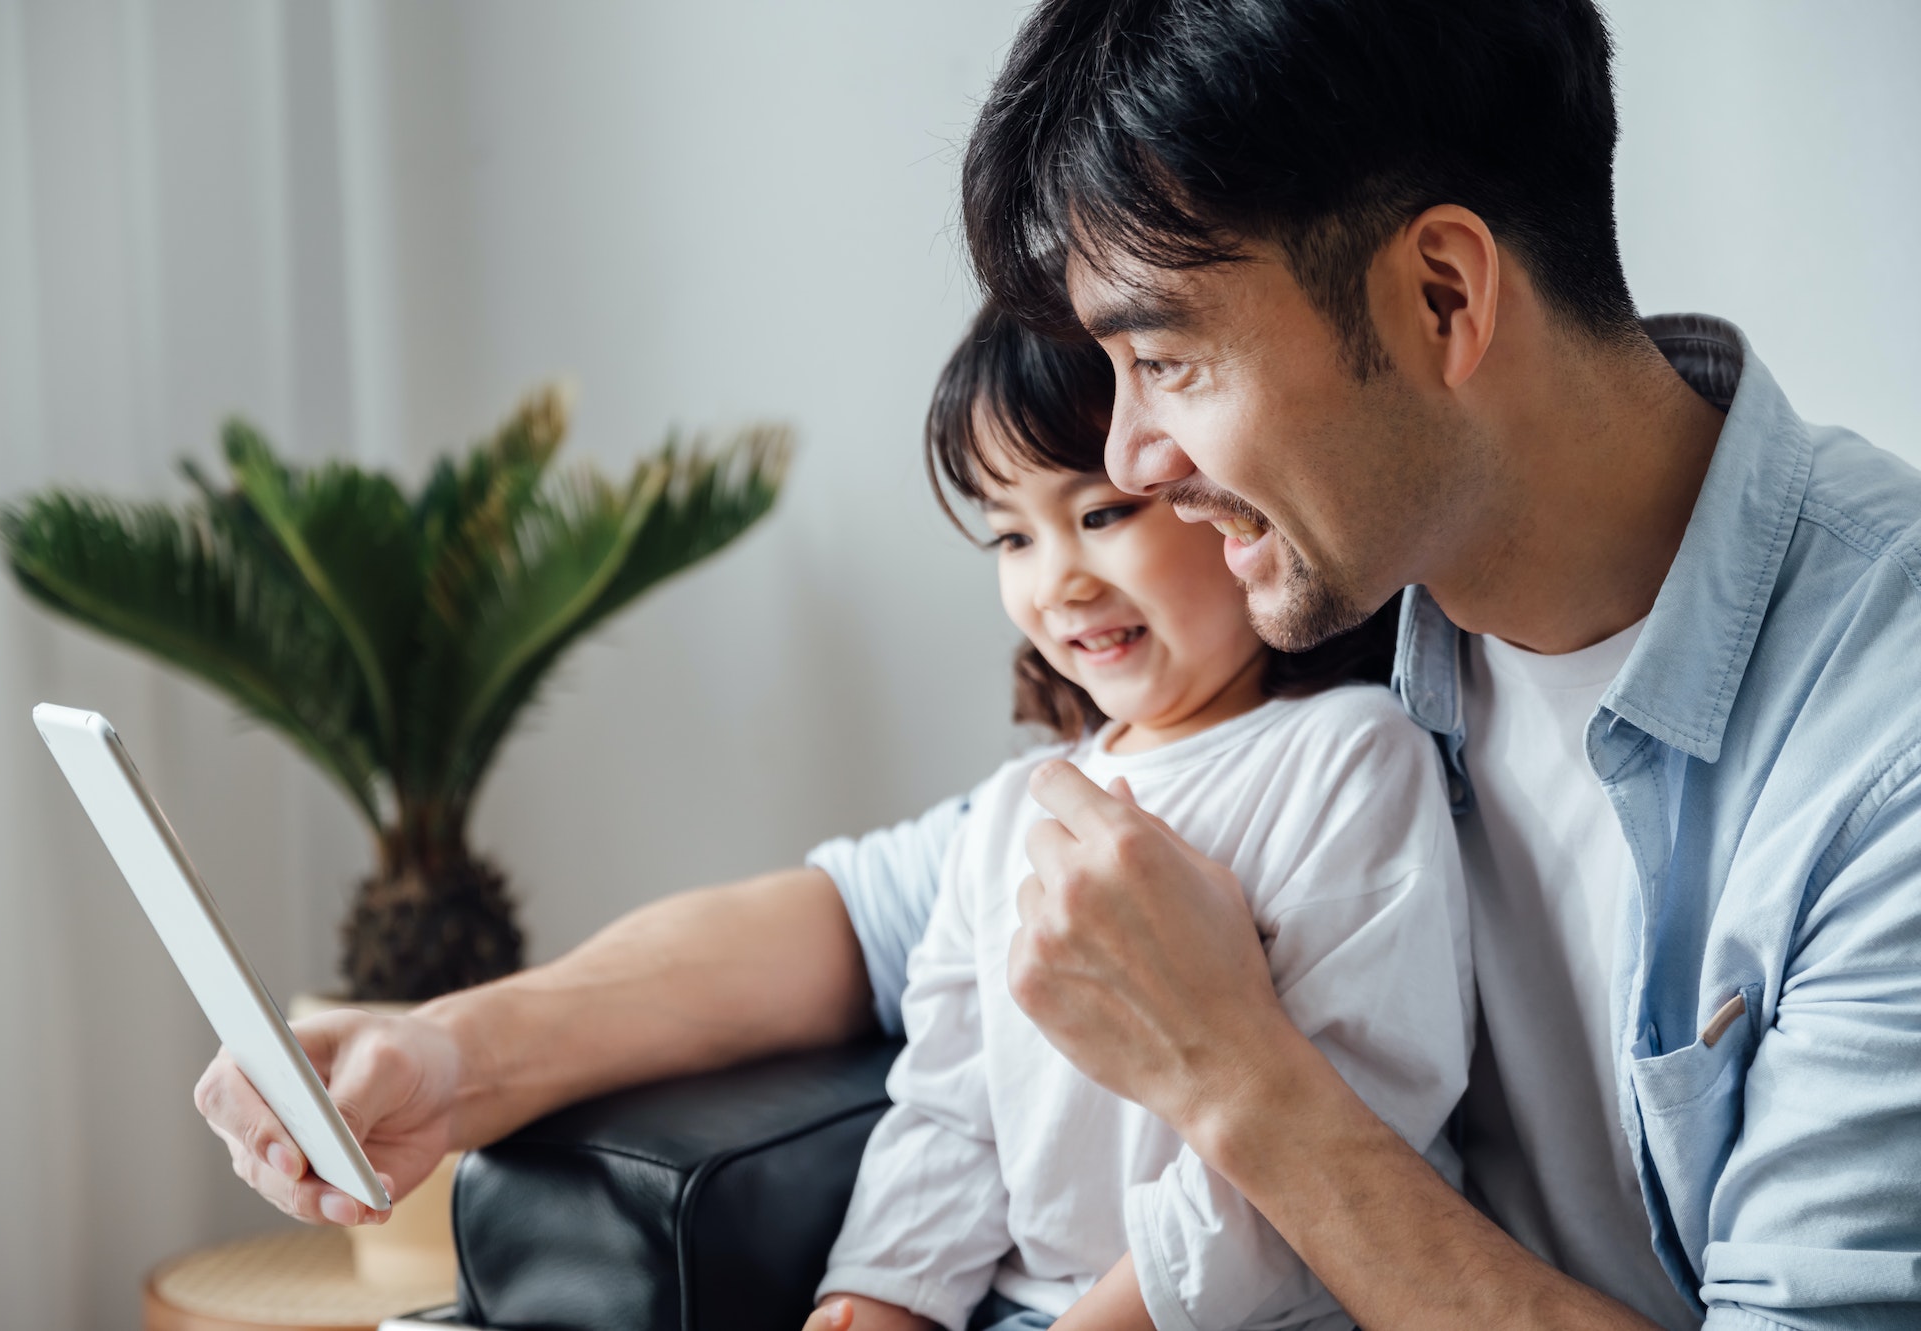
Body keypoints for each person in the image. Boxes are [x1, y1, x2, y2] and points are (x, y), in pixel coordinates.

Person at [196, 1, 1921, 1326]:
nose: (1139, 466)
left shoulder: (1879, 734)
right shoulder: (1334, 597)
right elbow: (879, 917)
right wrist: (458, 1056)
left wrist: (1236, 1074)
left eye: (1167, 363)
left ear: (1446, 300)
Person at [808, 305, 1469, 1331]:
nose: (1055, 579)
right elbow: (949, 1109)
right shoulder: (1006, 812)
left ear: (1226, 501)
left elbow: (1342, 1135)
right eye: (1011, 534)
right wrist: (872, 1297)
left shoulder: (1347, 756)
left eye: (1100, 514)